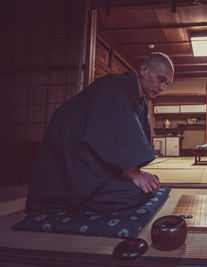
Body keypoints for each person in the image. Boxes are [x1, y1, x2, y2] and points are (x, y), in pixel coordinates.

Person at [25, 52, 174, 214]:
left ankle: (100, 193)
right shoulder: (112, 85)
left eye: (167, 84)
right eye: (160, 79)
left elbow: (127, 138)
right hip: (74, 162)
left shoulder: (141, 103)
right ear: (144, 69)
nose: (162, 88)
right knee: (133, 193)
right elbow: (102, 133)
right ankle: (73, 199)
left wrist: (136, 172)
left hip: (99, 165)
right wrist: (132, 172)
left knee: (151, 184)